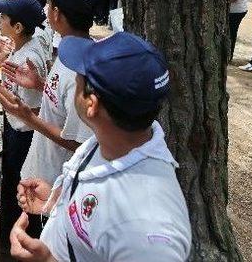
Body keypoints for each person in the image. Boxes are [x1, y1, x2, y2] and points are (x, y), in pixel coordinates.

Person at [11, 32, 192, 262]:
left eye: (78, 77)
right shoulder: (114, 141)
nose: (74, 79)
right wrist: (58, 202)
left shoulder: (148, 229)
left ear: (91, 104)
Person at [0, 0, 101, 237]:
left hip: (53, 185)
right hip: (40, 167)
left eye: (49, 3)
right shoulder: (70, 50)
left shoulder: (80, 72)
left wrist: (29, 118)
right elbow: (63, 104)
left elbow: (80, 143)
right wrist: (40, 84)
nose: (46, 8)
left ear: (57, 14)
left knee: (40, 241)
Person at [0, 0, 48, 251]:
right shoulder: (24, 49)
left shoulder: (26, 59)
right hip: (19, 131)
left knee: (17, 186)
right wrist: (1, 64)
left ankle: (13, 239)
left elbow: (26, 108)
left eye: (3, 17)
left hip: (24, 135)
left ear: (18, 28)